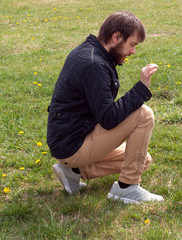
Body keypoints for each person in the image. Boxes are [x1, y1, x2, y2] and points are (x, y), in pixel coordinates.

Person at [46, 11, 163, 204]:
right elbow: (109, 119)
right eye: (132, 44)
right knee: (144, 115)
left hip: (70, 140)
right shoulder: (94, 64)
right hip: (72, 144)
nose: (133, 51)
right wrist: (141, 87)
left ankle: (73, 171)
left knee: (142, 160)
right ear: (116, 37)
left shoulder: (90, 53)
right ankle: (127, 188)